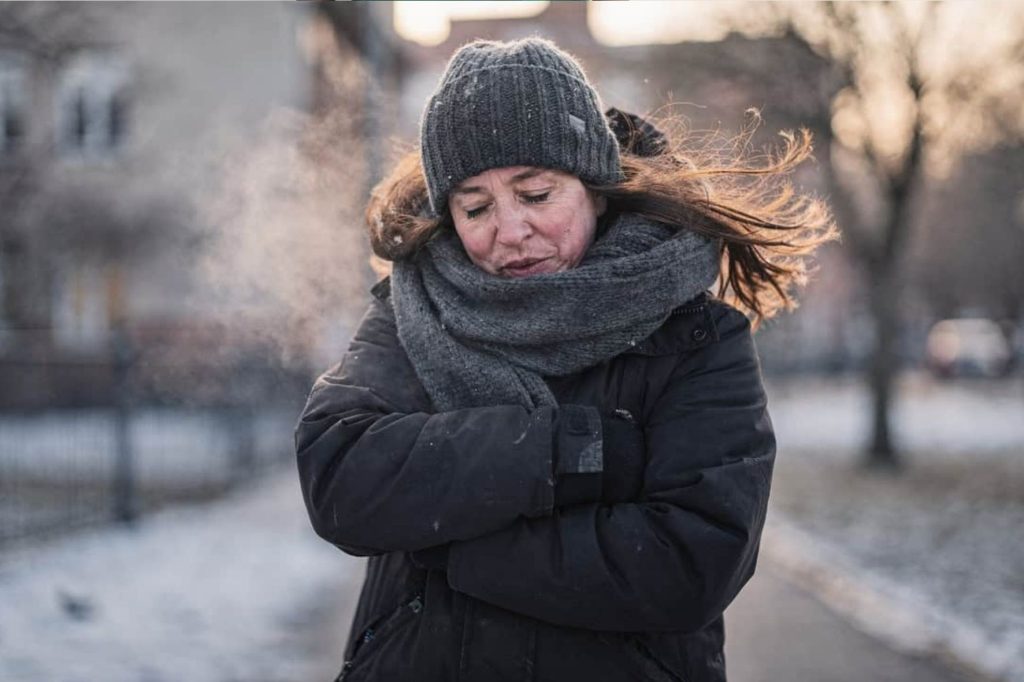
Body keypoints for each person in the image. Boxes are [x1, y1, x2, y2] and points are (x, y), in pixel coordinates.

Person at [295, 37, 836, 682]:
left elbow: (690, 563)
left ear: (596, 191)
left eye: (536, 194)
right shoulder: (414, 310)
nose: (509, 231)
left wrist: (454, 549)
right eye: (475, 207)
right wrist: (566, 453)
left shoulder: (696, 338)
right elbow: (341, 478)